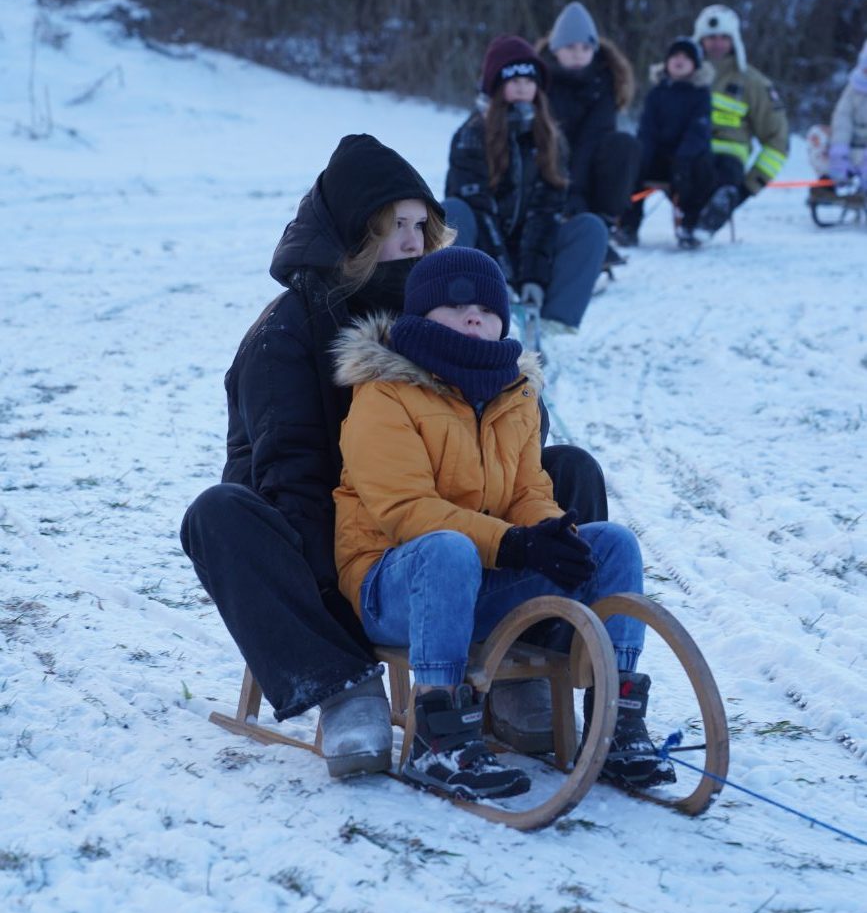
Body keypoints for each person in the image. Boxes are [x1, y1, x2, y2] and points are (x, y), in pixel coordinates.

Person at [179, 134, 609, 779]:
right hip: (327, 534)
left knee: (569, 468)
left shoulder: (443, 306)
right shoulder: (286, 332)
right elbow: (292, 473)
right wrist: (359, 580)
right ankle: (343, 686)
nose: (412, 241)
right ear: (353, 235)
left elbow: (511, 454)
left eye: (420, 225)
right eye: (393, 226)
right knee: (218, 514)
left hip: (446, 530)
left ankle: (522, 659)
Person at [332, 245, 676, 801]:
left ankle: (617, 719)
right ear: (420, 316)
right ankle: (438, 738)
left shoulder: (513, 393)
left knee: (612, 544)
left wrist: (547, 533)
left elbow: (527, 492)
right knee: (446, 548)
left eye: (487, 309)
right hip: (392, 588)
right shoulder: (384, 395)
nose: (474, 316)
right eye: (454, 305)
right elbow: (405, 511)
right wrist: (514, 545)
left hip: (476, 579)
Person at [443, 34, 608, 331]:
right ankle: (457, 318)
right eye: (513, 78)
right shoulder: (471, 136)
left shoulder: (551, 139)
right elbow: (477, 209)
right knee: (452, 212)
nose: (522, 86)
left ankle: (550, 327)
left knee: (590, 229)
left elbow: (546, 213)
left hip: (530, 251)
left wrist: (534, 278)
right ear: (495, 85)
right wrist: (498, 278)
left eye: (530, 80)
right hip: (482, 251)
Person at [537, 0, 641, 268]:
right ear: (555, 49)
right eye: (570, 47)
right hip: (546, 166)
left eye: (585, 48)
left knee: (623, 145)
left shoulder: (604, 83)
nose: (578, 54)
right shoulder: (538, 82)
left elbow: (593, 140)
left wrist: (577, 194)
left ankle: (602, 226)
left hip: (590, 172)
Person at [690, 4, 789, 237]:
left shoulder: (753, 83)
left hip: (727, 166)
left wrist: (749, 186)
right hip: (684, 159)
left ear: (735, 40)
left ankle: (711, 218)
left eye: (724, 37)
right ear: (699, 39)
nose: (717, 43)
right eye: (711, 37)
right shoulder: (681, 73)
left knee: (724, 178)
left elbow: (778, 139)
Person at [618, 37, 715, 248]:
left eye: (686, 58)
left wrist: (684, 157)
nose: (679, 61)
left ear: (695, 65)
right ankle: (627, 227)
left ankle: (689, 227)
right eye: (675, 57)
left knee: (697, 174)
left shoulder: (701, 95)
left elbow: (699, 130)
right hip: (658, 156)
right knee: (632, 167)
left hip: (689, 156)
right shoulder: (656, 94)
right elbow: (647, 129)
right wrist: (642, 155)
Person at [806, 39, 867, 191]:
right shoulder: (854, 88)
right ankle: (829, 180)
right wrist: (839, 152)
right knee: (817, 135)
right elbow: (842, 119)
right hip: (851, 147)